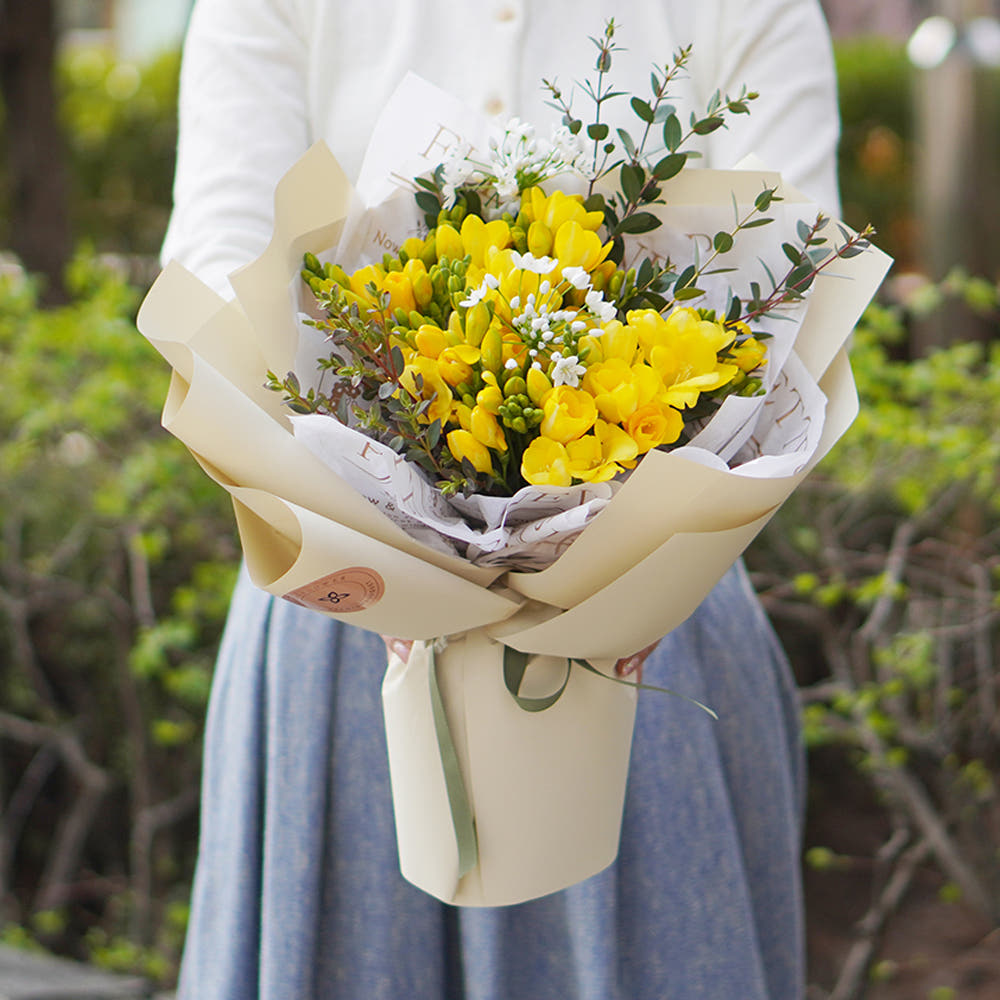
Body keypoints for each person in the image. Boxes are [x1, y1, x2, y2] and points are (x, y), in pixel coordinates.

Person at [162, 2, 840, 998]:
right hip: (343, 607)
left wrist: (620, 576)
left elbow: (796, 274)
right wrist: (385, 547)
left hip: (651, 620)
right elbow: (219, 263)